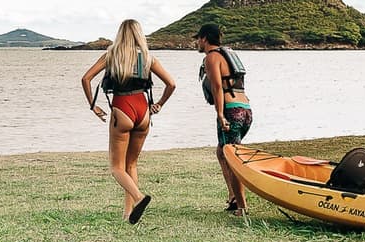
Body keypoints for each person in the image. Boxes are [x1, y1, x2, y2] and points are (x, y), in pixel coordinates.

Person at [80, 19, 176, 223]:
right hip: (143, 111)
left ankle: (139, 197)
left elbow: (86, 78)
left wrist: (93, 105)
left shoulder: (111, 54)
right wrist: (159, 104)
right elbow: (171, 84)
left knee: (116, 168)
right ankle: (128, 214)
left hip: (122, 108)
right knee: (131, 164)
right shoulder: (149, 58)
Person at [193, 22, 252, 215]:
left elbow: (217, 87)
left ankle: (241, 206)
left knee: (231, 157)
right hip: (245, 110)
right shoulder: (229, 54)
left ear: (204, 39)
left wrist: (220, 114)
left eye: (197, 39)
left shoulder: (212, 57)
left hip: (231, 111)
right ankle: (233, 196)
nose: (196, 43)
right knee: (222, 152)